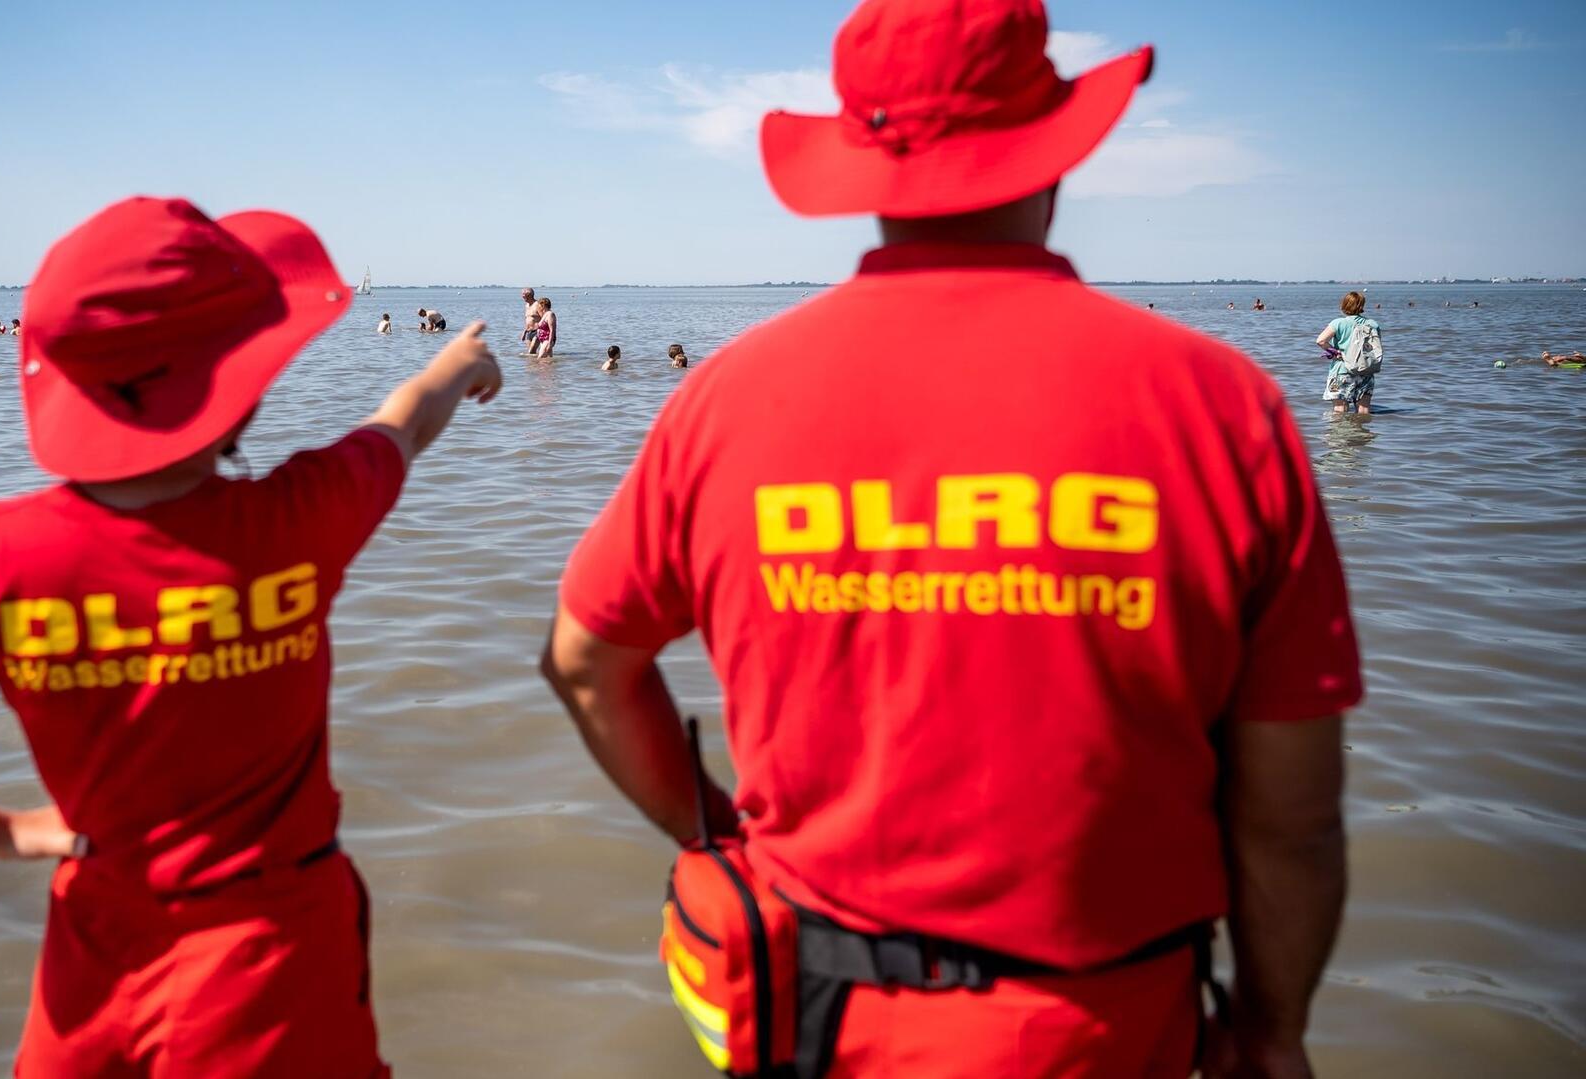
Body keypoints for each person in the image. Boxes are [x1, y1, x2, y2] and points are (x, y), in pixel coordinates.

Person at [539, 3, 1360, 1077]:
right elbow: (1290, 818)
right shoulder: (1219, 406)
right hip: (1109, 1024)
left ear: (864, 174)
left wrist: (718, 835)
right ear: (1053, 160)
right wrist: (1274, 1030)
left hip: (821, 1020)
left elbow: (586, 659)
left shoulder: (726, 400)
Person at [0, 196, 502, 1077]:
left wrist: (14, 833)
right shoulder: (302, 517)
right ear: (238, 382)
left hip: (89, 988)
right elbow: (403, 421)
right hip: (276, 978)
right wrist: (459, 362)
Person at [1317, 291, 1379, 415]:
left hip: (1342, 371)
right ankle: (1362, 433)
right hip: (1365, 371)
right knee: (1364, 410)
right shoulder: (1373, 324)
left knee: (1340, 410)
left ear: (1344, 305)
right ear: (1362, 305)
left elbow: (1321, 341)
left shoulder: (1338, 323)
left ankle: (1342, 434)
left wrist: (1336, 353)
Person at [521, 288, 544, 353]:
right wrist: (524, 332)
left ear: (530, 295)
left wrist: (541, 330)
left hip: (537, 331)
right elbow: (528, 319)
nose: (522, 297)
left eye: (524, 295)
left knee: (531, 351)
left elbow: (544, 318)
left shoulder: (538, 305)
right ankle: (534, 363)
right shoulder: (527, 305)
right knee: (530, 353)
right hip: (528, 332)